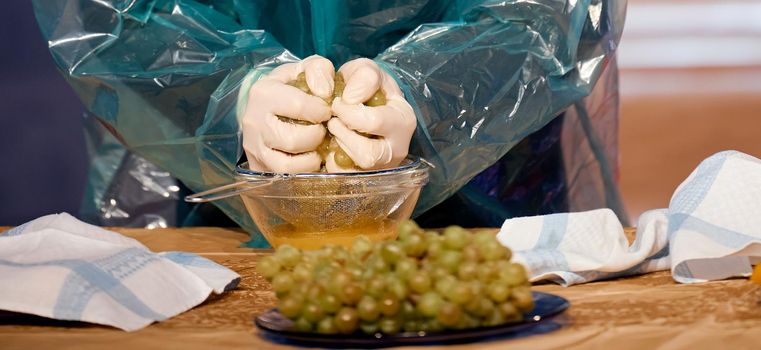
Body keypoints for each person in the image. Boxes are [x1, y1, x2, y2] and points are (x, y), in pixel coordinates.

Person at [33, 0, 628, 243]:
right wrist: (220, 94)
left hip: (487, 185)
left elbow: (559, 10)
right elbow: (102, 14)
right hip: (196, 195)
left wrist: (438, 95)